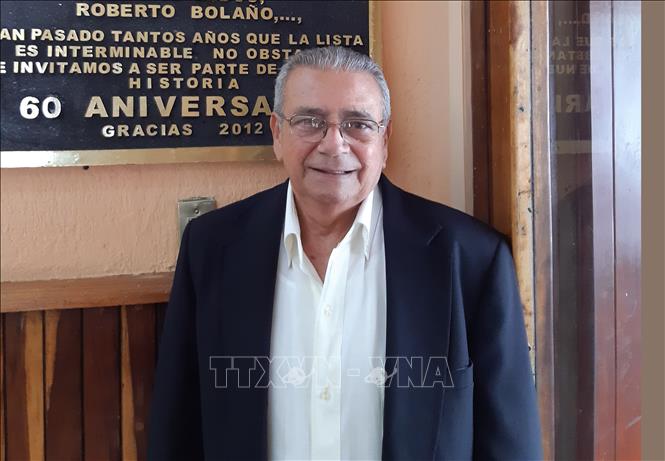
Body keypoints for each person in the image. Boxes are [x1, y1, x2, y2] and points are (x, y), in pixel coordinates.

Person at [148, 46, 543, 461]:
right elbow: (178, 429)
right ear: (277, 134)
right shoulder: (212, 248)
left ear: (384, 140)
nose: (334, 144)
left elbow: (510, 445)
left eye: (358, 124)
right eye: (309, 121)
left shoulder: (471, 260)